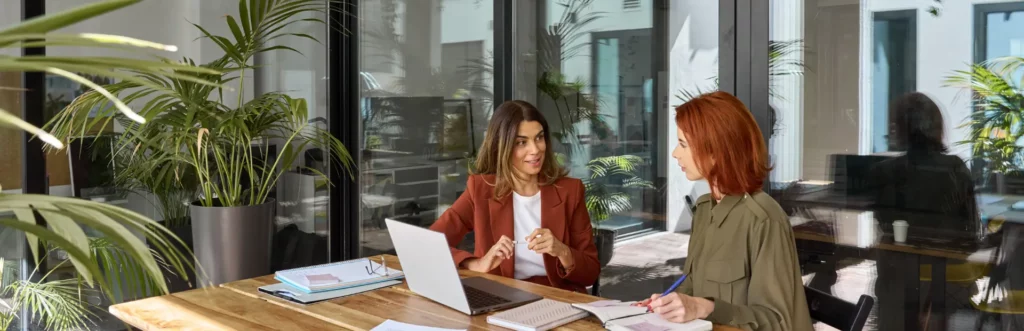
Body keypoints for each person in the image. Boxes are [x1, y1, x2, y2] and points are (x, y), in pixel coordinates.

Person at [643, 91, 813, 331]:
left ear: (716, 151)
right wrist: (670, 303)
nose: (674, 153)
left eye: (683, 144)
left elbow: (778, 321)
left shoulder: (764, 219)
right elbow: (693, 284)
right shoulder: (705, 209)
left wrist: (706, 308)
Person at [428, 100, 600, 293]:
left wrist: (562, 251)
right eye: (521, 142)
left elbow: (591, 272)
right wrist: (476, 264)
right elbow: (430, 242)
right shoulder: (481, 190)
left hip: (558, 298)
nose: (535, 150)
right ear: (502, 146)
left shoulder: (570, 191)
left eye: (539, 138)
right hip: (501, 296)